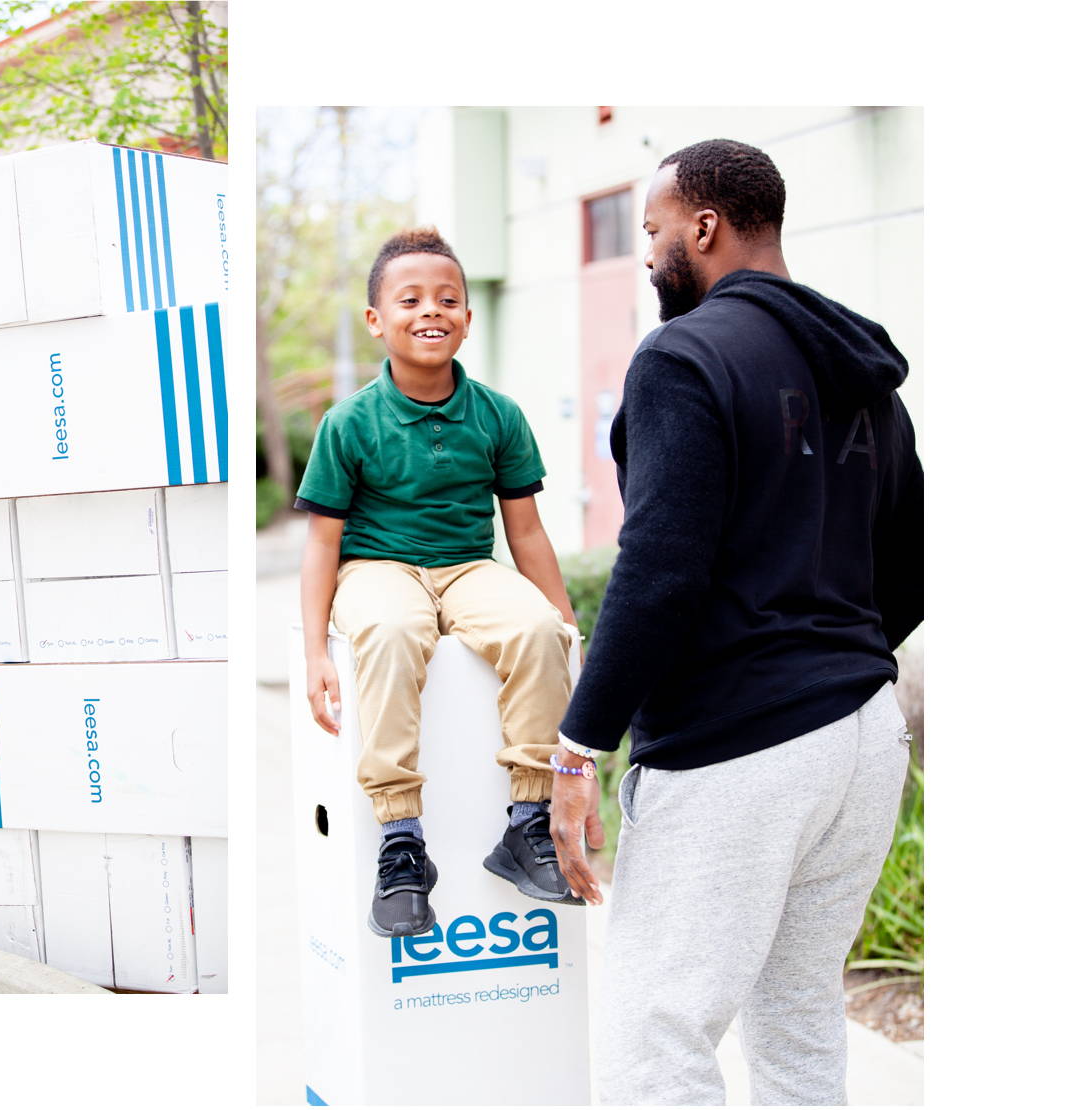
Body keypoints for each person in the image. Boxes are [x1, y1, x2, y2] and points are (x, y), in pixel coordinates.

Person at [546, 139, 924, 1104]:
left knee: (654, 1032)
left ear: (704, 227)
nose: (647, 252)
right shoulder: (866, 371)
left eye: (656, 230)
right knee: (798, 1021)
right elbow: (911, 562)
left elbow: (660, 570)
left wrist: (579, 746)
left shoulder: (683, 356)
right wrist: (839, 661)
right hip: (866, 737)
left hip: (740, 748)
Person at [297, 227, 582, 938]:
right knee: (392, 632)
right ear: (376, 320)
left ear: (467, 315)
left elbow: (526, 533)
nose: (432, 310)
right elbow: (322, 543)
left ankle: (527, 822)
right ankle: (401, 841)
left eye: (448, 298)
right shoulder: (350, 422)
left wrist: (567, 626)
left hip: (469, 567)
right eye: (411, 299)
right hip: (377, 567)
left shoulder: (497, 415)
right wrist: (313, 653)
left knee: (537, 629)